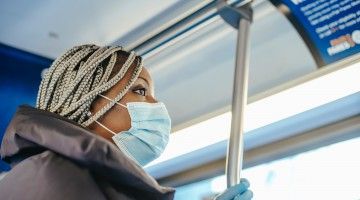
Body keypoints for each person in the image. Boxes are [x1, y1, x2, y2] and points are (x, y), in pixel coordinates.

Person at [0, 44, 253, 200]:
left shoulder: (74, 175)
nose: (156, 105)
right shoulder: (56, 174)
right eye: (141, 91)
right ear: (90, 105)